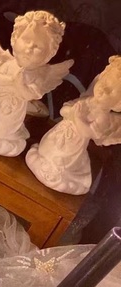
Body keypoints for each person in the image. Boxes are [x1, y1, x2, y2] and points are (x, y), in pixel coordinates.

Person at [0, 10, 73, 156]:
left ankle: (0, 138)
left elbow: (31, 94)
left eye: (38, 47)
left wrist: (20, 84)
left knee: (2, 130)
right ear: (14, 39)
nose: (29, 48)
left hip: (12, 109)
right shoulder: (9, 64)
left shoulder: (39, 75)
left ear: (48, 56)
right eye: (26, 40)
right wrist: (10, 80)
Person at [26, 55, 121, 195]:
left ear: (118, 104)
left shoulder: (103, 117)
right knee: (47, 150)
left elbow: (88, 133)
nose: (103, 90)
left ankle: (55, 173)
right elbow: (64, 110)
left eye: (111, 91)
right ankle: (43, 160)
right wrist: (70, 111)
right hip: (61, 132)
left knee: (61, 161)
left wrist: (78, 118)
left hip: (74, 145)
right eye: (104, 83)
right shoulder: (87, 100)